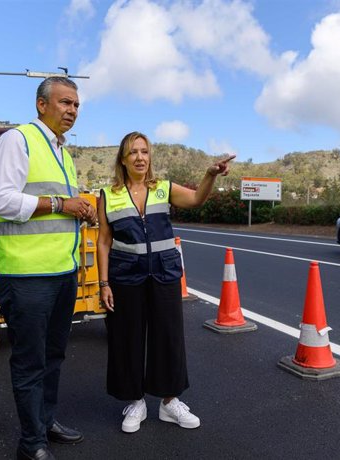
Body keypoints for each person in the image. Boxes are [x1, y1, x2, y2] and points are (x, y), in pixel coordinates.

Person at [0, 76, 97, 460]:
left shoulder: (63, 153)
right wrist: (60, 204)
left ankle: (46, 422)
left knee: (54, 357)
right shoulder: (17, 140)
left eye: (77, 105)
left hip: (62, 274)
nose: (72, 110)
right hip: (28, 278)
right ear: (41, 104)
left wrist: (81, 210)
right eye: (65, 103)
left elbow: (57, 208)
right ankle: (30, 443)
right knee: (30, 362)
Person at [96, 131, 234, 434]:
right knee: (127, 338)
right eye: (133, 152)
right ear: (123, 158)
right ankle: (136, 401)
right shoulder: (108, 195)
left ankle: (170, 402)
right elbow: (103, 242)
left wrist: (210, 174)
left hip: (164, 274)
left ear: (150, 157)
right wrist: (103, 283)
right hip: (125, 277)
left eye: (144, 152)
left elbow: (197, 198)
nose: (140, 157)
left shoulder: (163, 189)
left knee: (168, 337)